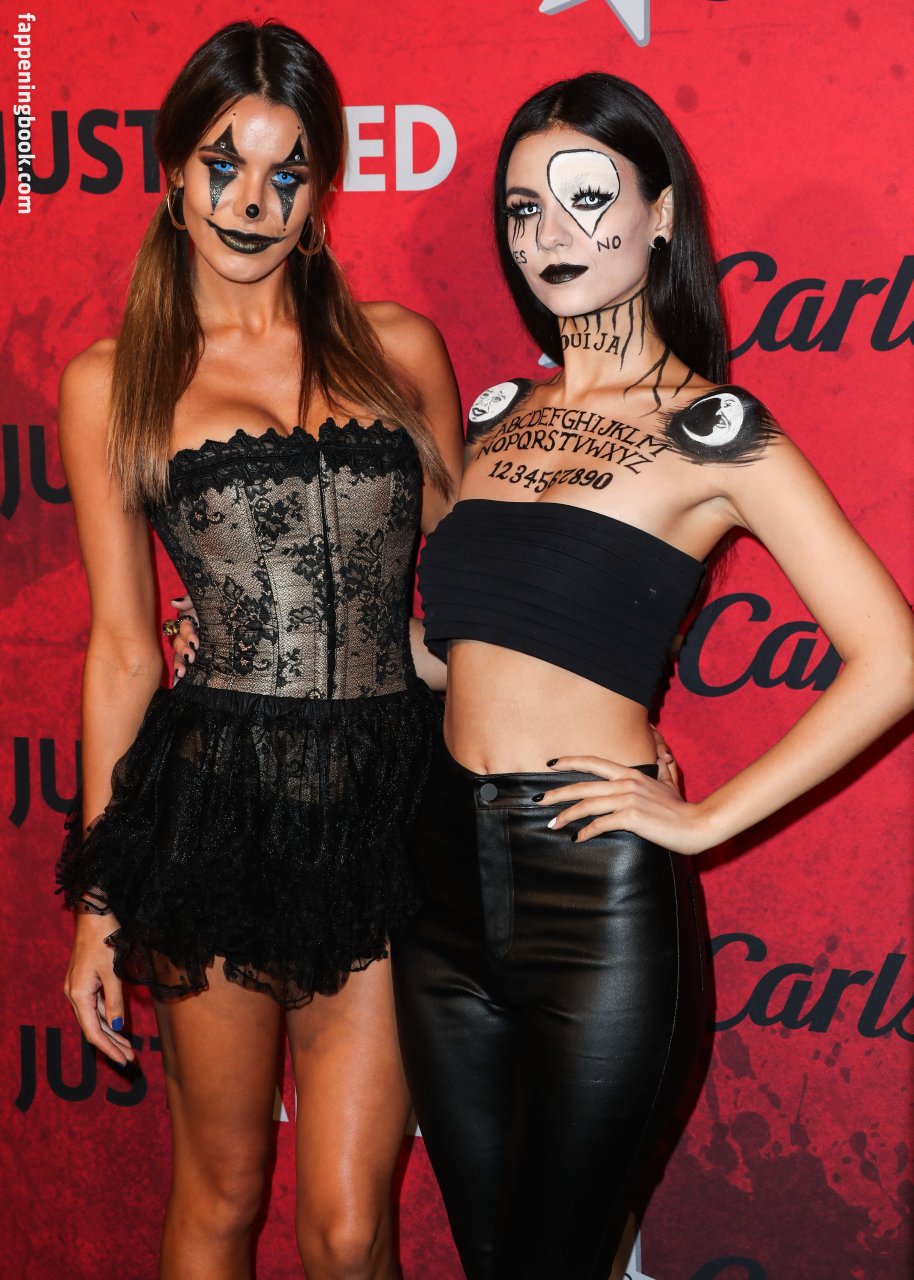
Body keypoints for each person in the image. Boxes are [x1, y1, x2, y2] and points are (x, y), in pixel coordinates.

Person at [387, 73, 914, 1280]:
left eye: (587, 198)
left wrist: (706, 818)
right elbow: (449, 652)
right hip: (437, 885)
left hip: (592, 893)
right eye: (524, 209)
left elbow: (888, 654)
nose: (550, 234)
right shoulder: (497, 412)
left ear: (659, 212)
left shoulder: (714, 428)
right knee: (487, 1254)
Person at [55, 20, 461, 1280]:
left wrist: (586, 721)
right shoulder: (114, 382)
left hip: (387, 811)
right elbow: (123, 648)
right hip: (214, 811)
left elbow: (475, 594)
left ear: (322, 191)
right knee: (222, 1191)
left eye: (287, 173)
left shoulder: (401, 349)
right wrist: (97, 908)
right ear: (172, 173)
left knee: (348, 1227)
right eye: (223, 164)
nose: (250, 202)